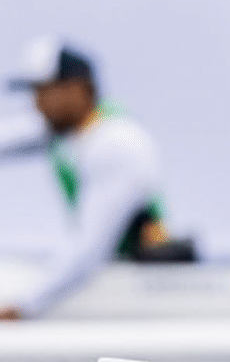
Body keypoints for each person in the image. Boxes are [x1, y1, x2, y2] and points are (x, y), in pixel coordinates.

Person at [0, 36, 195, 320]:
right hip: (115, 281)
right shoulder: (70, 130)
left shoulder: (116, 144)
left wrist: (22, 305)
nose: (36, 103)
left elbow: (88, 248)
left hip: (140, 295)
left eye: (44, 91)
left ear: (78, 89)